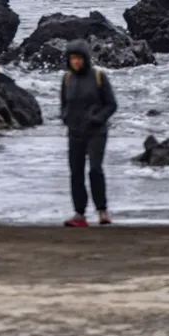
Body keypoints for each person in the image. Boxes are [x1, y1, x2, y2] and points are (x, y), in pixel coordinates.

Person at [59, 39, 118, 227]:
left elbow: (111, 105)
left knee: (95, 169)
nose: (76, 62)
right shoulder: (67, 78)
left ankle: (102, 211)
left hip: (96, 132)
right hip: (74, 132)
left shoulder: (99, 77)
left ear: (86, 58)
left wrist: (97, 118)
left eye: (79, 58)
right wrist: (65, 117)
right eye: (72, 58)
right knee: (76, 172)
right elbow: (63, 104)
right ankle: (79, 214)